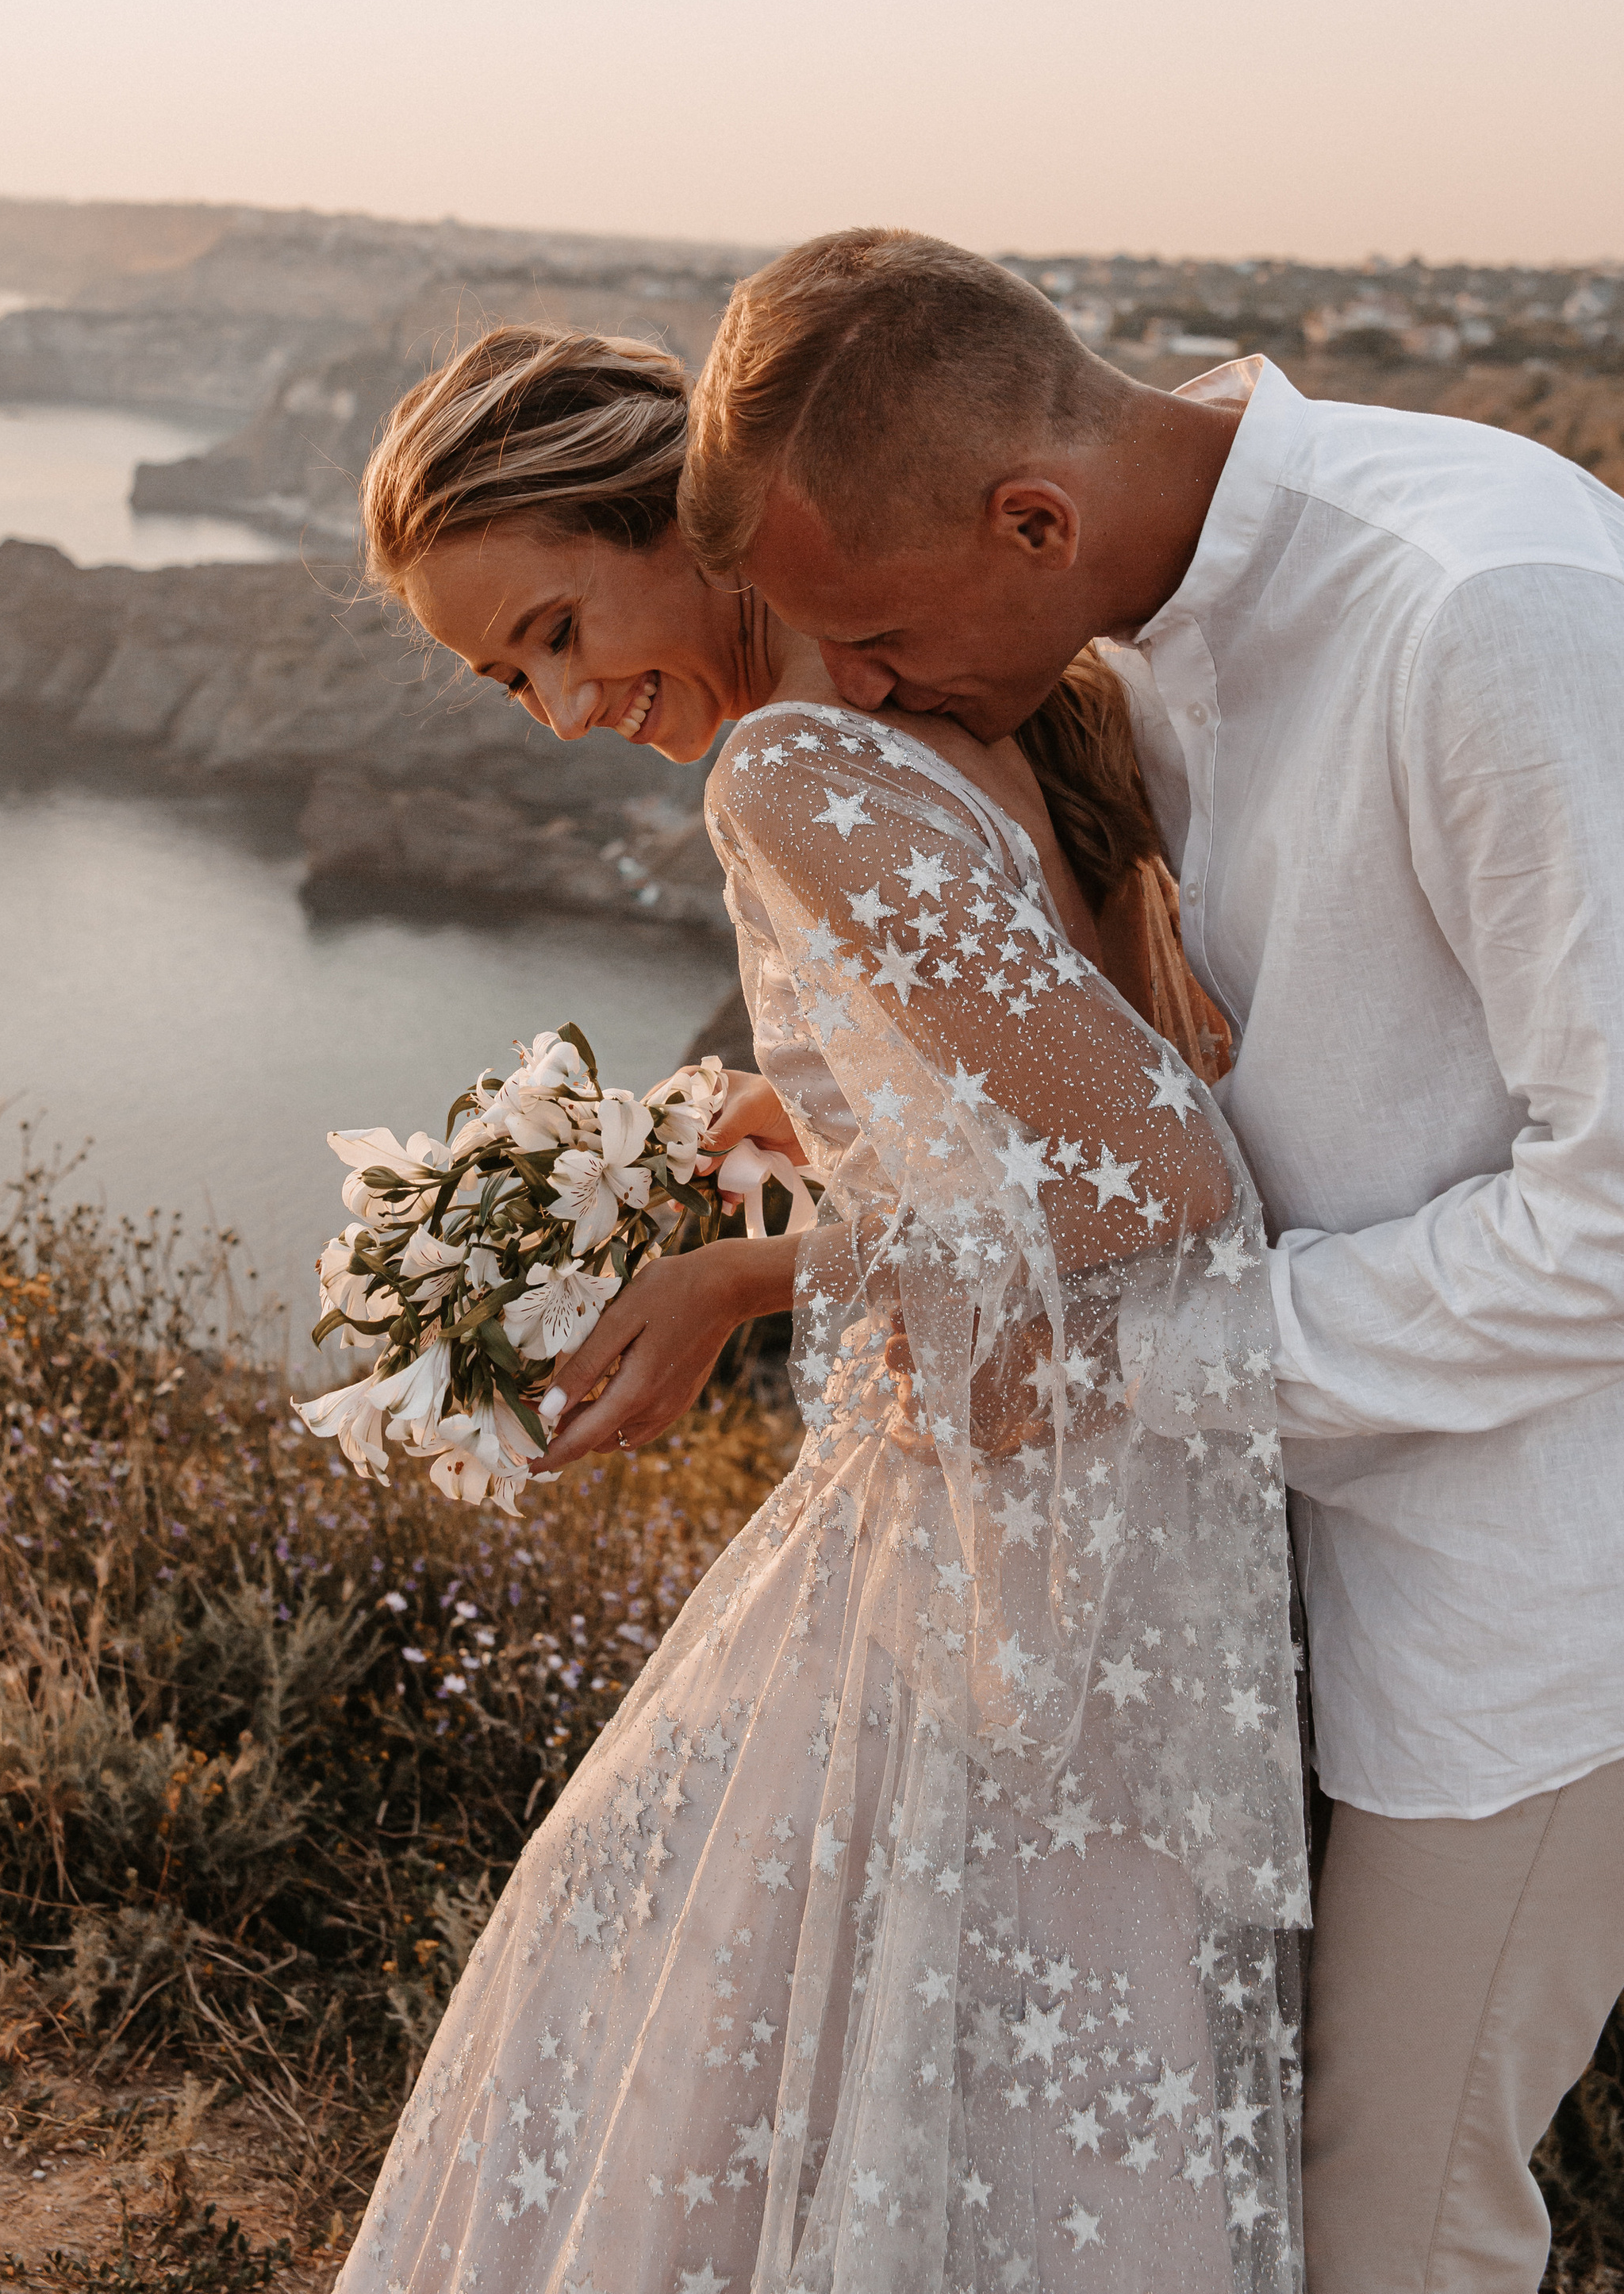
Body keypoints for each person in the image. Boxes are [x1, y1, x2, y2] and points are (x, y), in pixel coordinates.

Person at [677, 225, 1624, 2294]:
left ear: (1032, 515)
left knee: (1389, 2229)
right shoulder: (1161, 603)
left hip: (1550, 1613)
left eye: (875, 636)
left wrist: (1167, 1358)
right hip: (1317, 1562)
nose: (855, 694)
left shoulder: (1486, 613)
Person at [328, 325, 1307, 2294]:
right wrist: (836, 1126)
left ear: (658, 518)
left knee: (695, 2030)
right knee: (1030, 2114)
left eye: (549, 625)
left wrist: (739, 1279)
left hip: (989, 1561)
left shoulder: (786, 768)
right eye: (504, 676)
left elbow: (1162, 1187)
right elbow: (1080, 1071)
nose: (558, 705)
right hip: (1105, 1529)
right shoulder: (996, 692)